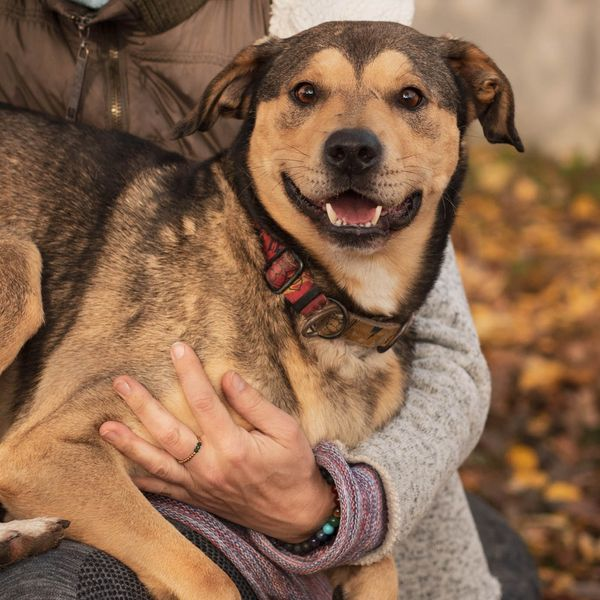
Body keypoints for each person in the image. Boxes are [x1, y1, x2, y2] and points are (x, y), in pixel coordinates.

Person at [0, 0, 539, 598]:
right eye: (308, 95)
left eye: (408, 99)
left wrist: (337, 513)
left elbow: (452, 356)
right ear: (240, 109)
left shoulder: (299, 10)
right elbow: (38, 460)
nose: (354, 137)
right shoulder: (193, 291)